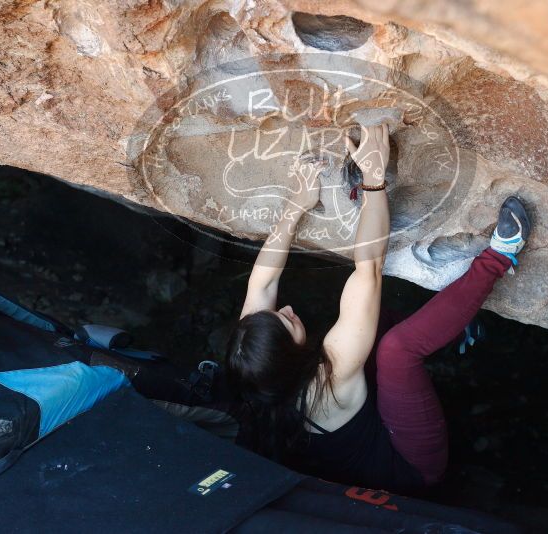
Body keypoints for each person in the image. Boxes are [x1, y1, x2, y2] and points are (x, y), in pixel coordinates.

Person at [225, 124, 531, 494]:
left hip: (355, 428)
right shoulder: (333, 375)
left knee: (371, 321)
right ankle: (501, 255)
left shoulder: (255, 365)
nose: (287, 308)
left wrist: (295, 206)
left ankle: (457, 326)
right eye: (287, 321)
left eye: (277, 314)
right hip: (407, 465)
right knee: (395, 350)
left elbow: (261, 283)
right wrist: (373, 175)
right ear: (293, 357)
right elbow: (369, 266)